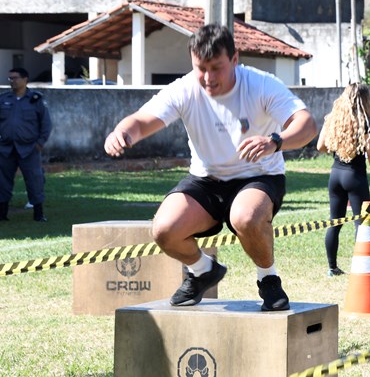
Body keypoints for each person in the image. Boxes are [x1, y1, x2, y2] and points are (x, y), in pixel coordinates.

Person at [104, 25, 316, 311]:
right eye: (200, 68)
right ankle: (204, 270)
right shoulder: (186, 88)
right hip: (206, 181)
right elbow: (143, 120)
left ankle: (269, 279)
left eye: (216, 68)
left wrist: (275, 141)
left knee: (245, 217)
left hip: (259, 176)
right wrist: (122, 132)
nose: (207, 78)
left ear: (235, 59)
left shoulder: (261, 84)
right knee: (164, 229)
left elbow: (306, 124)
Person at [316, 84, 370, 276]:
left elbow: (320, 146)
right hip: (355, 176)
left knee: (334, 222)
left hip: (336, 175)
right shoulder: (365, 122)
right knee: (363, 223)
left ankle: (332, 267)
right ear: (365, 101)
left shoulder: (333, 119)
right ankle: (362, 267)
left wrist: (338, 149)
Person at [0, 68, 52, 222]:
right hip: (6, 148)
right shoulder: (3, 99)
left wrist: (40, 143)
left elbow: (46, 124)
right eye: (10, 78)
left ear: (25, 79)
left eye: (15, 78)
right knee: (2, 181)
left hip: (29, 148)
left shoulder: (35, 99)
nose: (12, 81)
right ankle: (2, 214)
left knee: (34, 180)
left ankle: (38, 213)